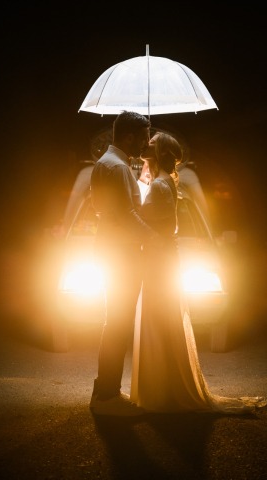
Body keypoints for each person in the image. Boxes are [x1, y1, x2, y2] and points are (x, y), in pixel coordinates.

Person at [130, 131, 267, 414]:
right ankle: (164, 385)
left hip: (158, 261)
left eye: (152, 143)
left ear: (162, 153)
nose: (147, 144)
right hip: (163, 259)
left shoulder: (158, 185)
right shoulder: (164, 183)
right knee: (162, 319)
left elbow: (153, 226)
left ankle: (161, 391)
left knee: (158, 320)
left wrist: (130, 210)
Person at [89, 111, 162, 416]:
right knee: (117, 323)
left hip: (110, 250)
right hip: (121, 254)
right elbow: (125, 216)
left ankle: (105, 392)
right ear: (130, 136)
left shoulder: (104, 163)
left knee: (113, 322)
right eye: (144, 135)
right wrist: (155, 238)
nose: (146, 142)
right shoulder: (117, 168)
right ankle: (107, 396)